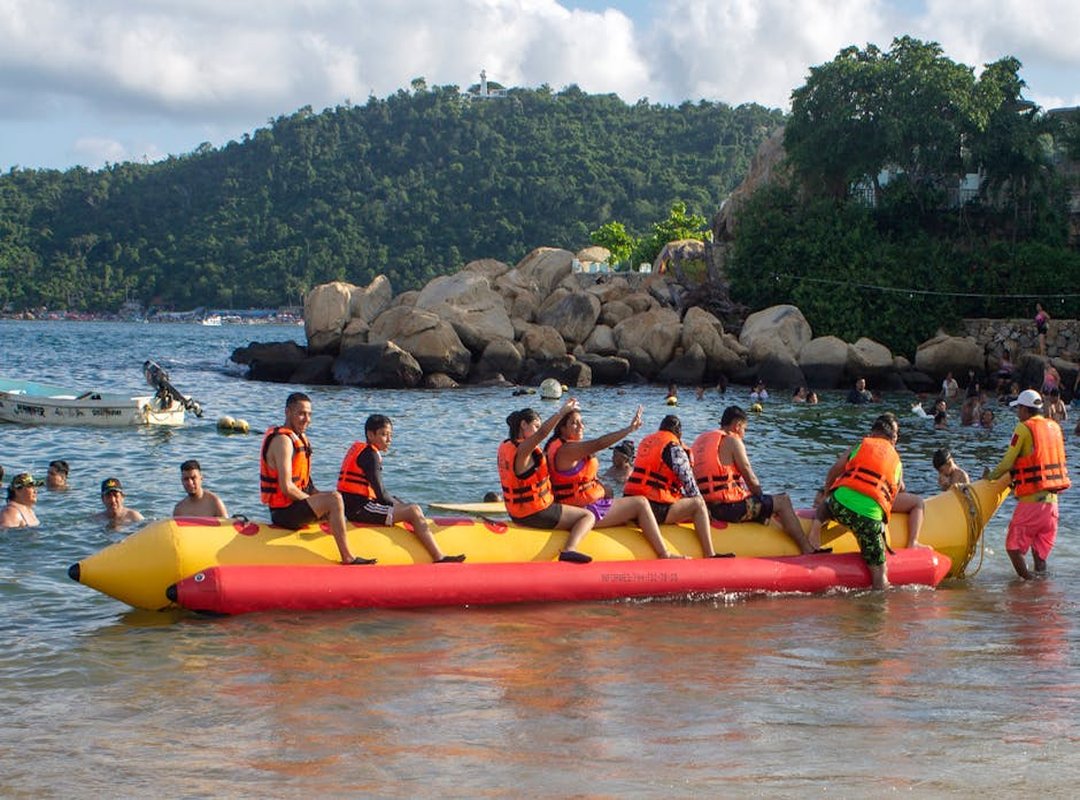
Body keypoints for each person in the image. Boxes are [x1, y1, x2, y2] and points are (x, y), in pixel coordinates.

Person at [545, 405, 683, 559]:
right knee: (641, 503)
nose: (580, 426)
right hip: (582, 511)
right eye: (574, 423)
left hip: (576, 506)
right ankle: (664, 553)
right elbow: (599, 443)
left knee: (612, 492)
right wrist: (629, 429)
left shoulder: (559, 446)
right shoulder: (567, 450)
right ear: (562, 429)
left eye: (581, 422)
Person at [691, 405, 827, 555]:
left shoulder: (700, 441)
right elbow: (750, 477)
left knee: (768, 500)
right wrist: (764, 502)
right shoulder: (732, 441)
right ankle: (807, 549)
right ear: (737, 426)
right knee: (783, 501)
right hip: (728, 509)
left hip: (707, 508)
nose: (743, 434)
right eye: (744, 430)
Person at [810, 413, 925, 589]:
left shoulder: (861, 444)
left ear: (873, 433)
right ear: (892, 439)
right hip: (868, 519)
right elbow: (899, 489)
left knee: (829, 501)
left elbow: (833, 471)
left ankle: (816, 527)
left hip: (839, 506)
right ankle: (877, 610)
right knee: (880, 572)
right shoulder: (897, 461)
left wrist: (827, 493)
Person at [260, 392, 376, 565]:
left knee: (337, 498)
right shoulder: (282, 441)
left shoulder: (300, 438)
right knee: (334, 499)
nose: (306, 419)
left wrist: (324, 502)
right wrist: (320, 504)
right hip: (283, 513)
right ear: (287, 412)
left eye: (309, 414)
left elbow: (308, 485)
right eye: (301, 413)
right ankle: (348, 557)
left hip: (296, 506)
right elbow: (286, 487)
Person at [338, 414, 464, 563]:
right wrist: (407, 509)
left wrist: (399, 504)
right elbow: (381, 494)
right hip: (360, 510)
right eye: (384, 435)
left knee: (404, 504)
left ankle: (420, 530)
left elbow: (380, 494)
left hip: (353, 506)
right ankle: (438, 556)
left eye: (390, 435)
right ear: (370, 435)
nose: (389, 440)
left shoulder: (362, 450)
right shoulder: (371, 455)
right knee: (413, 510)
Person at [984, 389, 1070, 579]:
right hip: (1052, 506)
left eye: (1019, 409)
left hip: (1032, 503)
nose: (1017, 414)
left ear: (1025, 409)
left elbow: (1007, 462)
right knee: (1039, 556)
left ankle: (1027, 584)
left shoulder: (1023, 428)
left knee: (1012, 548)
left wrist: (989, 477)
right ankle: (1041, 590)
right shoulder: (1054, 426)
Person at [498, 399, 596, 563]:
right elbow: (543, 433)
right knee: (587, 516)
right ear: (523, 425)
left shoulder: (506, 446)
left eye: (538, 426)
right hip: (535, 512)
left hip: (516, 512)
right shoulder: (523, 450)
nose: (538, 430)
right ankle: (569, 549)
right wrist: (562, 412)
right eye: (535, 426)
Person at [624, 415, 724, 558]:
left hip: (631, 504)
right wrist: (707, 513)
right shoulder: (674, 447)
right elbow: (690, 487)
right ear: (679, 433)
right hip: (654, 509)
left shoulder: (646, 442)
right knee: (699, 504)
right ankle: (710, 553)